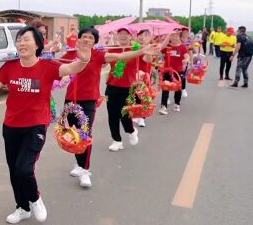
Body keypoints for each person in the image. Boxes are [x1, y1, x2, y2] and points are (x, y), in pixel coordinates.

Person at [0, 25, 91, 224]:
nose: (21, 43)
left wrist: (83, 59)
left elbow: (72, 68)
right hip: (11, 126)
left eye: (26, 39)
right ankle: (22, 207)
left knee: (24, 169)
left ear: (37, 44)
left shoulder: (48, 67)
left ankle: (35, 198)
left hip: (35, 126)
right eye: (19, 39)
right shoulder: (10, 66)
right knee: (14, 170)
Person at [62, 27, 156, 187]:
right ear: (78, 39)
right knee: (74, 134)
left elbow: (121, 56)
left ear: (95, 42)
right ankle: (78, 164)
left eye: (90, 38)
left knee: (85, 134)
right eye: (84, 36)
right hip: (70, 100)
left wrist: (141, 51)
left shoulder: (98, 55)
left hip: (89, 100)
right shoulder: (71, 54)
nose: (86, 39)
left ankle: (85, 171)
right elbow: (49, 64)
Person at [105, 27, 140, 152]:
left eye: (126, 34)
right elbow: (103, 63)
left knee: (124, 114)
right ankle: (117, 140)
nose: (123, 36)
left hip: (128, 87)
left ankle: (131, 130)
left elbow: (146, 60)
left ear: (131, 36)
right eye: (120, 33)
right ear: (117, 36)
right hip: (111, 86)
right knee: (112, 114)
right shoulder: (113, 49)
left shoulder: (136, 50)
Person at [159, 30, 189, 115]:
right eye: (172, 36)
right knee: (165, 88)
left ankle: (177, 104)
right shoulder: (167, 47)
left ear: (179, 37)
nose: (174, 38)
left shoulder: (182, 47)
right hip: (167, 70)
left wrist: (185, 60)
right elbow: (160, 48)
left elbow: (186, 56)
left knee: (178, 88)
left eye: (176, 36)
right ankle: (163, 106)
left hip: (178, 72)